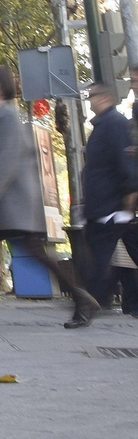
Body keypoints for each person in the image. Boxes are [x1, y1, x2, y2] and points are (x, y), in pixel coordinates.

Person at [0, 65, 99, 330]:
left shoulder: (7, 116)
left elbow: (7, 156)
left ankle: (81, 298)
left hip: (13, 200)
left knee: (35, 253)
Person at [80, 81, 138, 312]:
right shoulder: (103, 126)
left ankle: (90, 304)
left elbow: (125, 164)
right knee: (119, 254)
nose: (90, 101)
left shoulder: (114, 124)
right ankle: (126, 303)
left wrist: (129, 199)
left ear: (104, 98)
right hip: (105, 206)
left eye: (92, 96)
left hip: (110, 207)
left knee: (101, 257)